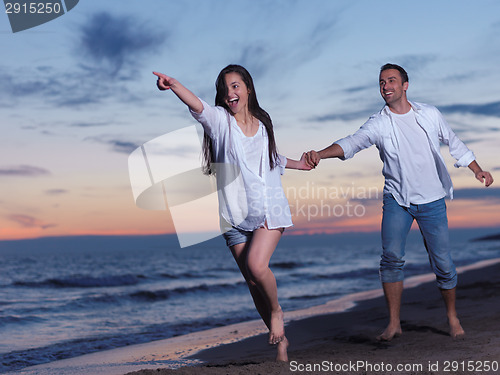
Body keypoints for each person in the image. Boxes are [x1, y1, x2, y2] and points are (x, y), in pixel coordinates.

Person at [305, 63, 494, 341]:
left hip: (432, 200)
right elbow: (352, 142)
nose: (386, 86)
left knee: (442, 263)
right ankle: (394, 323)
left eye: (391, 80)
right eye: (381, 82)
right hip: (397, 199)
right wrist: (320, 154)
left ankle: (452, 316)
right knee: (391, 259)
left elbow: (454, 142)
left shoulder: (429, 114)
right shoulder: (379, 123)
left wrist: (476, 168)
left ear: (405, 85)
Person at [153, 64, 312, 361]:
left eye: (236, 85)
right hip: (233, 216)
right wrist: (175, 85)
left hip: (267, 208)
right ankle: (281, 343)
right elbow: (198, 105)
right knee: (253, 283)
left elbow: (271, 157)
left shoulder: (264, 123)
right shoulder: (220, 122)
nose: (230, 92)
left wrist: (299, 165)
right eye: (225, 88)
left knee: (256, 266)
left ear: (248, 88)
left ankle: (277, 311)